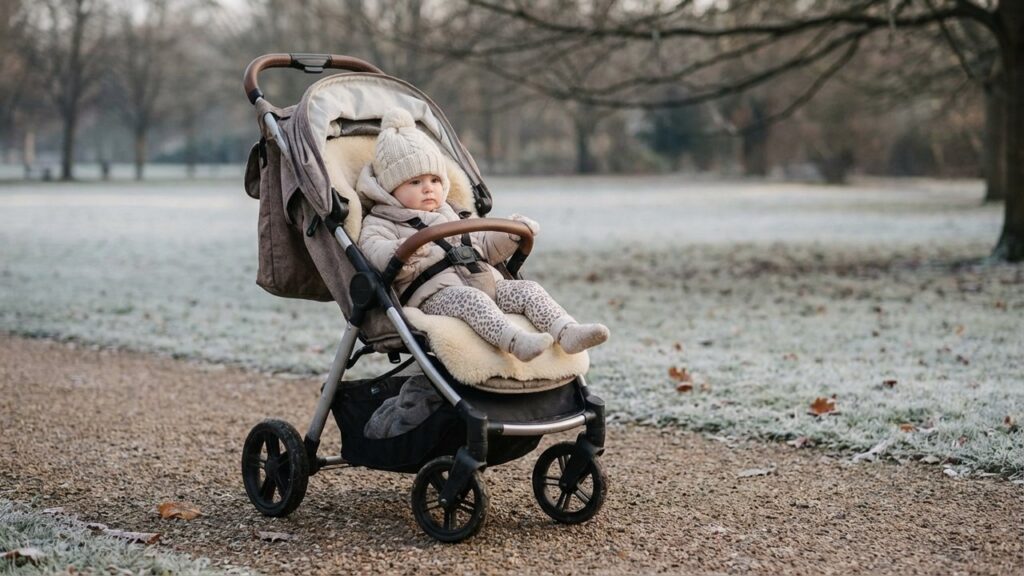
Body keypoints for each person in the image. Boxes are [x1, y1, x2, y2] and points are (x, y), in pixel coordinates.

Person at [357, 108, 609, 362]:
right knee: (472, 299)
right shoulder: (381, 220)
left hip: (486, 282)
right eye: (415, 182)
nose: (428, 189)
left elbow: (483, 243)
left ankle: (567, 331)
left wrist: (511, 234)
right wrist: (407, 249)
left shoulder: (453, 213)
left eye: (434, 180)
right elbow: (375, 253)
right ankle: (515, 341)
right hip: (435, 297)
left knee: (527, 289)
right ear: (390, 187)